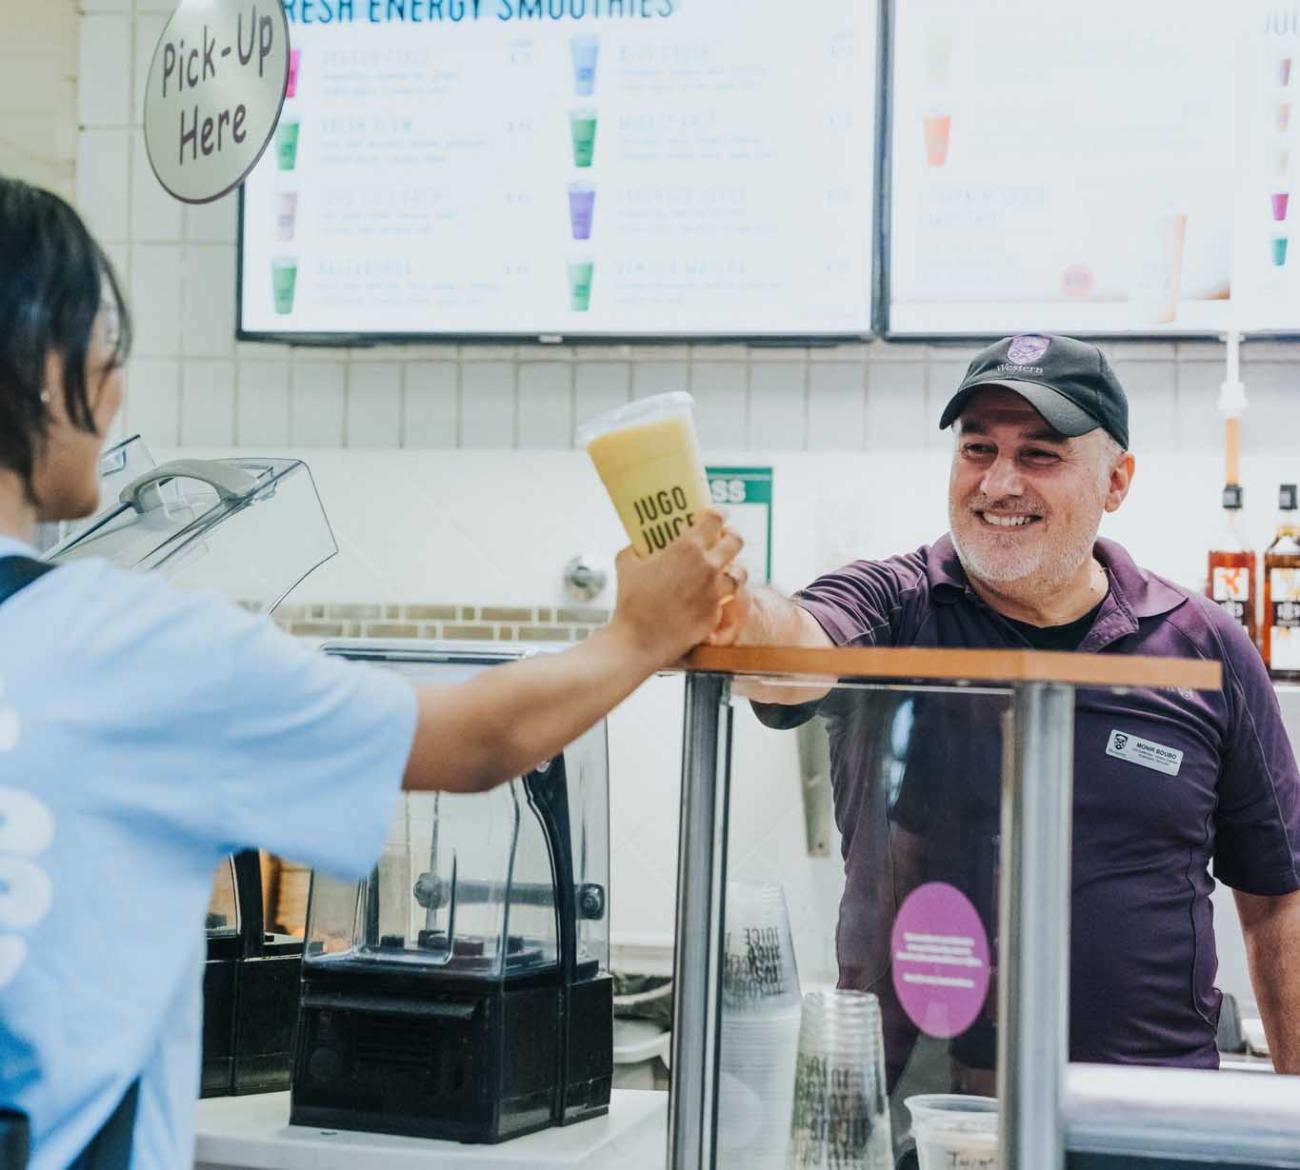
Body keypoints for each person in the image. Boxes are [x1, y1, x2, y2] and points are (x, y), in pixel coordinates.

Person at [0, 179, 745, 1170]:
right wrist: (638, 637)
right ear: (41, 365)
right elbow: (469, 742)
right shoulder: (128, 645)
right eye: (104, 340)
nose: (118, 382)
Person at [715, 333, 1300, 1086]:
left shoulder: (1201, 645)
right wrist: (730, 606)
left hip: (1144, 1115)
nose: (998, 483)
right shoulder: (894, 606)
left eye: (1039, 455)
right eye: (978, 449)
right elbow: (787, 651)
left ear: (1115, 481)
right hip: (915, 1115)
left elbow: (1276, 893)